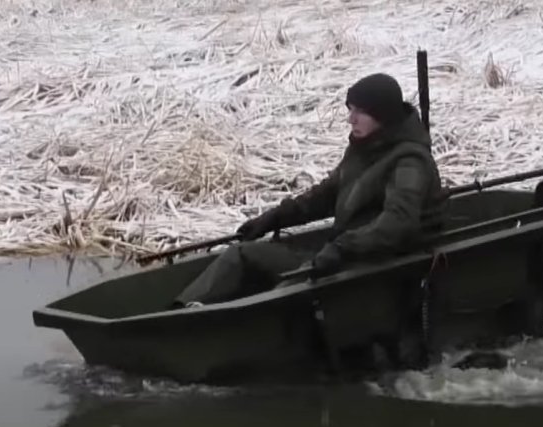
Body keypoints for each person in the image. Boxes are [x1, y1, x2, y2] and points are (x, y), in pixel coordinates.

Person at [169, 73, 446, 309]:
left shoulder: (409, 161)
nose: (351, 119)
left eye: (359, 112)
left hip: (374, 264)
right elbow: (324, 195)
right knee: (242, 254)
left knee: (293, 286)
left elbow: (398, 223)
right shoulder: (363, 150)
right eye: (350, 110)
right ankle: (179, 313)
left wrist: (342, 248)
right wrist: (274, 218)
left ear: (381, 116)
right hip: (344, 254)